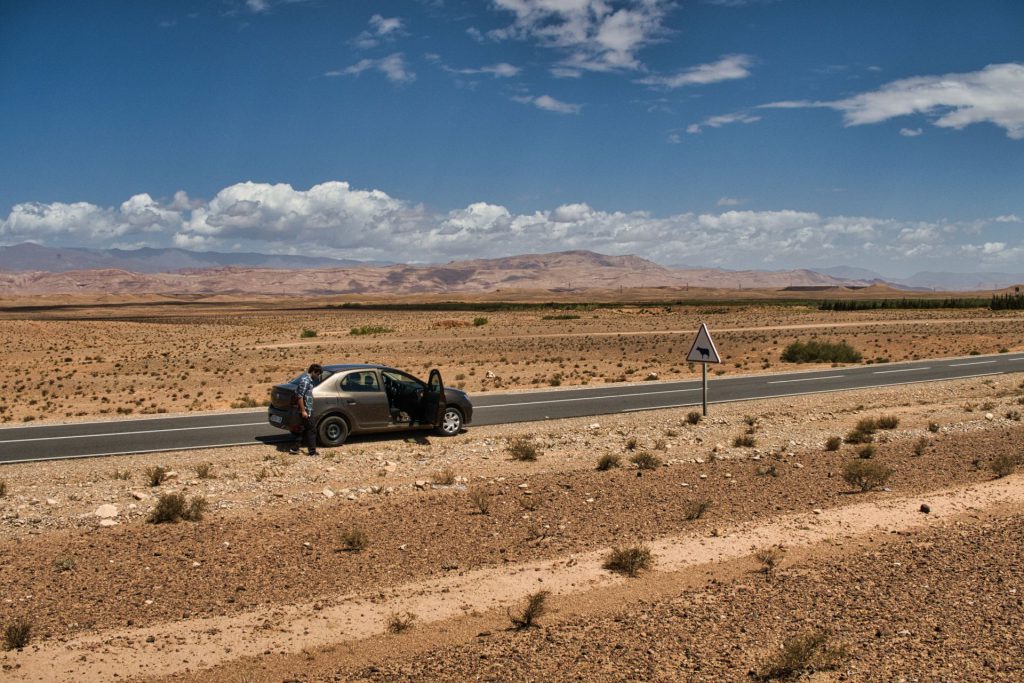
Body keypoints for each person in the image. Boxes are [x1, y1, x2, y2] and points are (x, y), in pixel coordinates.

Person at [290, 363, 323, 456]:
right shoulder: (305, 381)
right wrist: (303, 411)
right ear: (313, 372)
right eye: (317, 374)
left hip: (307, 409)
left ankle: (294, 448)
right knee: (312, 430)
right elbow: (300, 396)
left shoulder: (309, 380)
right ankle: (312, 452)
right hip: (306, 410)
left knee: (303, 429)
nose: (318, 376)